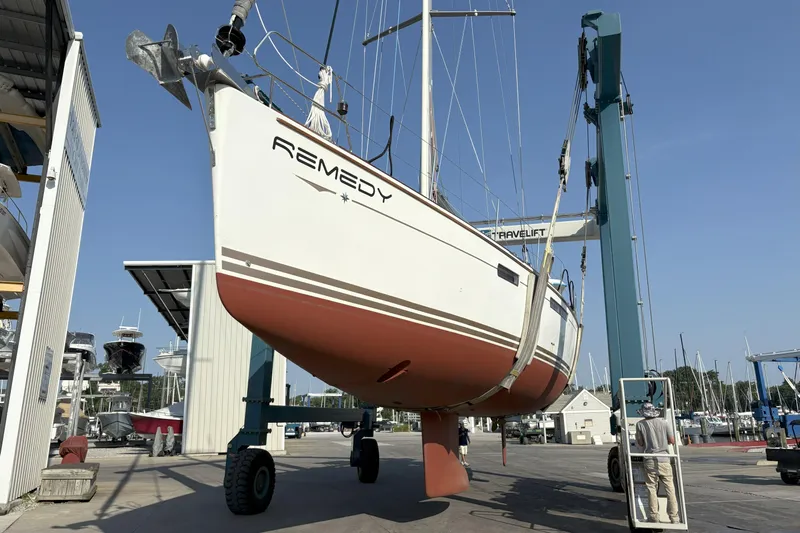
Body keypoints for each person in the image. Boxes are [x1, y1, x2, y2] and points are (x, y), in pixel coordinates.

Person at [635, 402, 680, 524]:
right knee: (670, 488)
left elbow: (640, 443)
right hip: (664, 458)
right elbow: (672, 441)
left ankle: (654, 516)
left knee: (651, 488)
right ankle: (674, 517)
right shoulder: (664, 423)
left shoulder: (640, 425)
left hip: (650, 459)